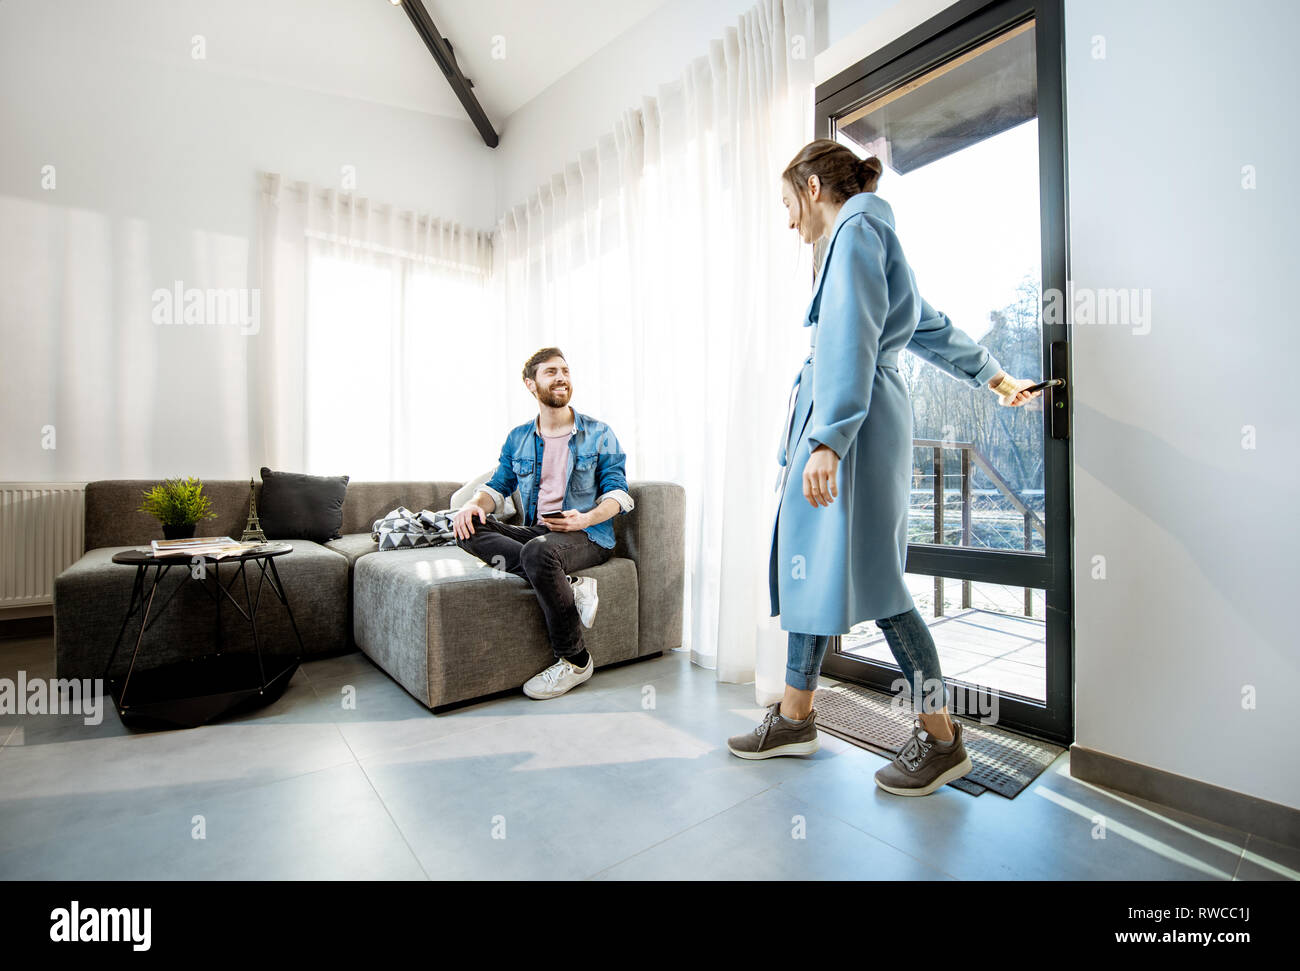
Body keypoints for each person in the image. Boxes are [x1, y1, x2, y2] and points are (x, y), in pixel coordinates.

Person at [726, 139, 1042, 796]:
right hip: (857, 420)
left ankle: (943, 737)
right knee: (811, 569)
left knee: (879, 581)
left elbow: (852, 336)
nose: (790, 222)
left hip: (856, 427)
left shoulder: (857, 228)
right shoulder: (867, 235)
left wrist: (828, 439)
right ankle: (795, 714)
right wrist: (993, 374)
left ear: (813, 187)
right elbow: (926, 324)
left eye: (788, 204)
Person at [453, 347, 635, 700]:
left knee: (539, 553)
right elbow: (497, 487)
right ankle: (571, 584)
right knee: (466, 527)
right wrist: (474, 505)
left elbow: (619, 493)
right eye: (551, 372)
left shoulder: (599, 433)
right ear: (530, 384)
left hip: (588, 536)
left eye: (565, 370)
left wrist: (587, 517)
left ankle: (575, 660)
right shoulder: (519, 437)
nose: (562, 377)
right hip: (541, 533)